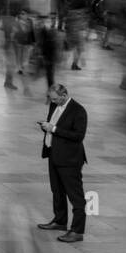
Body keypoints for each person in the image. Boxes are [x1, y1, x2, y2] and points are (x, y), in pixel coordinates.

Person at [37, 83, 89, 243]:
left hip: (70, 159)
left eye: (55, 99)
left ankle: (77, 231)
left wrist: (53, 129)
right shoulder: (54, 105)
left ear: (64, 95)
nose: (52, 101)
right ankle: (60, 221)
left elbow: (78, 136)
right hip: (54, 155)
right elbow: (52, 125)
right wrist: (45, 127)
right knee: (57, 191)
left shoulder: (78, 111)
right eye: (51, 99)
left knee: (75, 196)